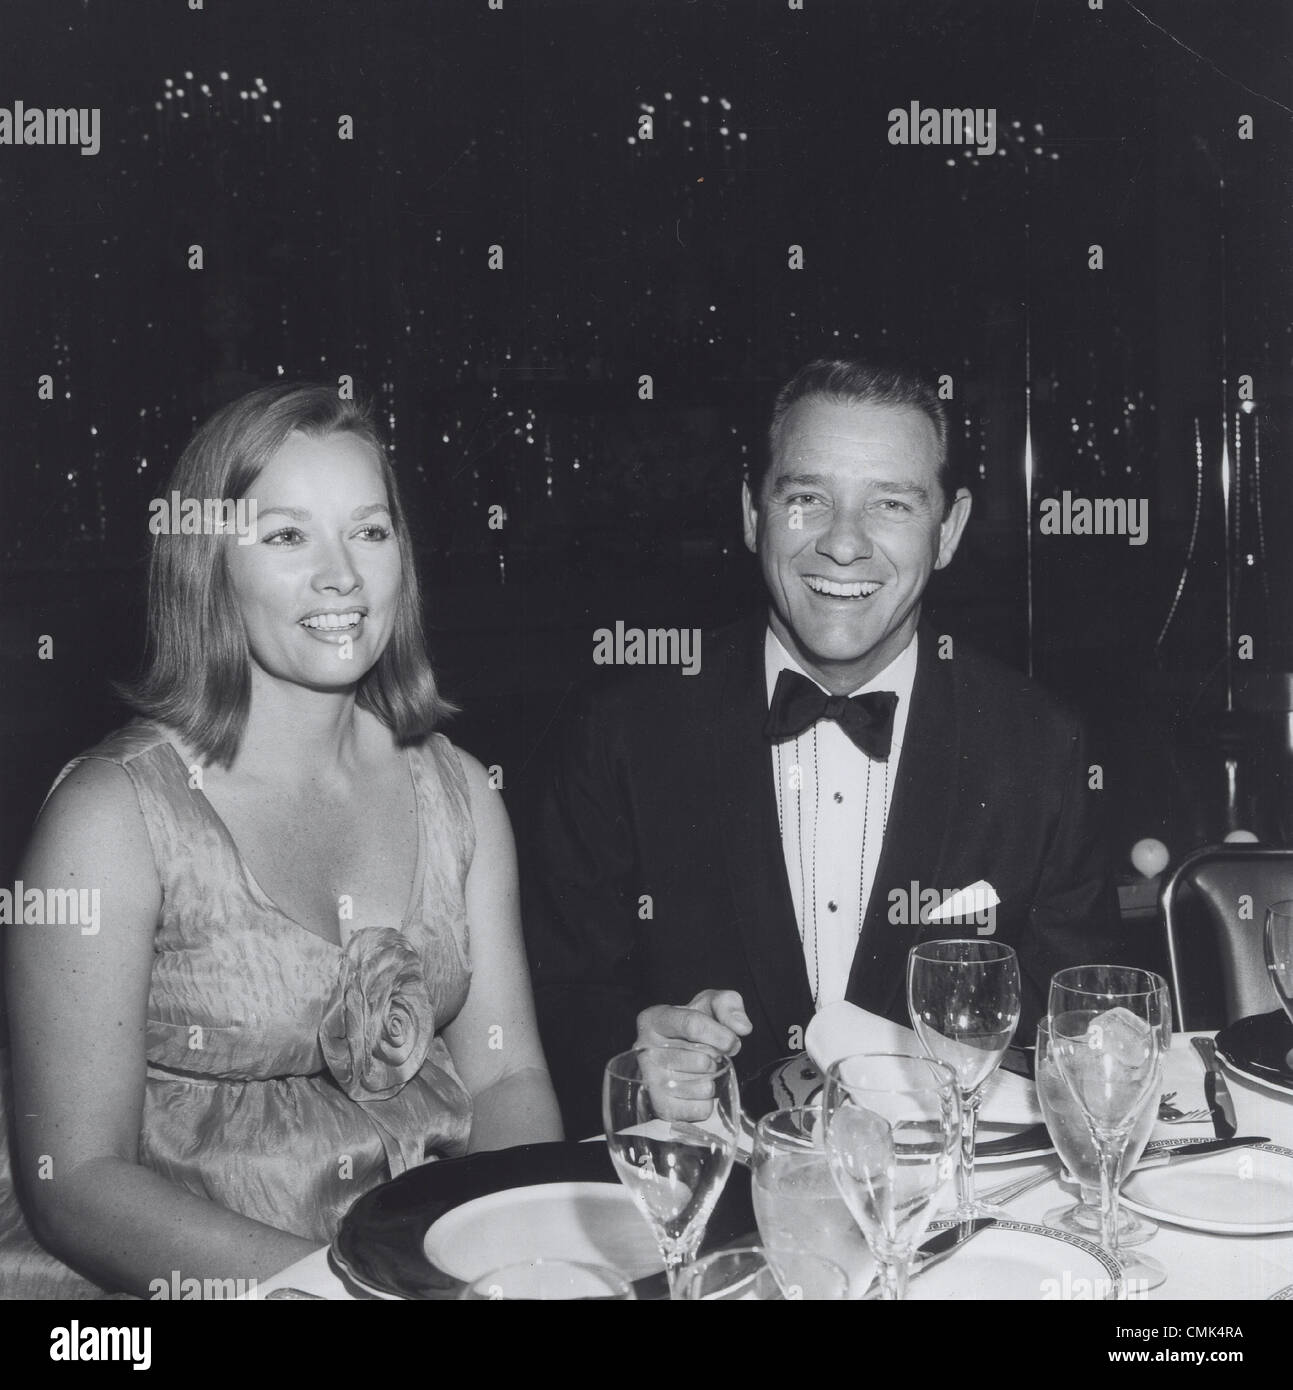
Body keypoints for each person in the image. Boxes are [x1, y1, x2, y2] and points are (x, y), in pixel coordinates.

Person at [3, 384, 561, 1298]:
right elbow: (79, 1184)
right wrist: (351, 1292)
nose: (342, 576)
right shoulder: (110, 818)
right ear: (209, 564)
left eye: (370, 531)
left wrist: (525, 1257)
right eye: (287, 535)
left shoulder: (460, 790)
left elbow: (506, 1076)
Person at [524, 357, 1131, 1137]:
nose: (843, 545)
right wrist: (632, 1058)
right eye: (807, 498)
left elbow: (1075, 1030)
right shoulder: (621, 731)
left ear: (947, 530)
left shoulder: (1040, 744)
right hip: (707, 1208)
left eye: (890, 505)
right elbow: (556, 1005)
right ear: (752, 514)